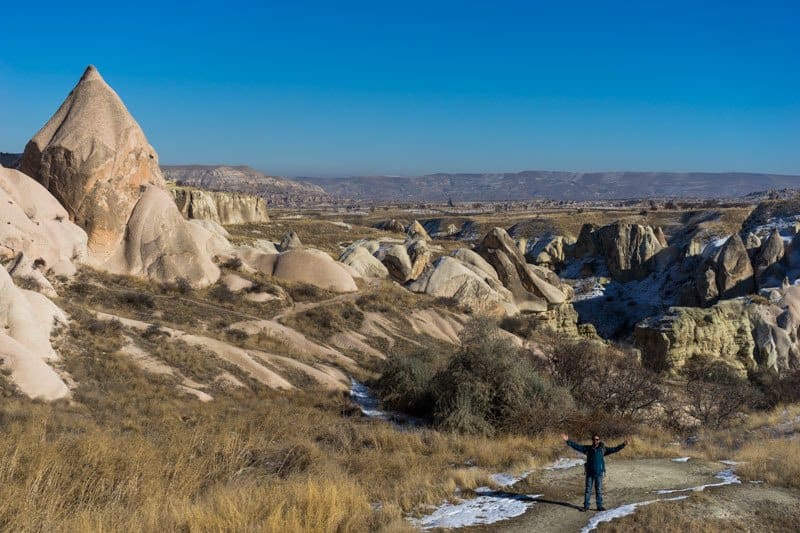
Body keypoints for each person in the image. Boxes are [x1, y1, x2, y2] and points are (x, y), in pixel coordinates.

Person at [560, 433, 628, 512]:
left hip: (599, 473)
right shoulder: (588, 449)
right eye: (594, 439)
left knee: (598, 489)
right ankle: (586, 506)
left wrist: (623, 445)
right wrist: (568, 441)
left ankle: (599, 506)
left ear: (599, 440)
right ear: (592, 440)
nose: (595, 441)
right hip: (589, 472)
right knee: (588, 490)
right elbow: (577, 446)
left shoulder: (603, 449)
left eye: (597, 439)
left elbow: (614, 449)